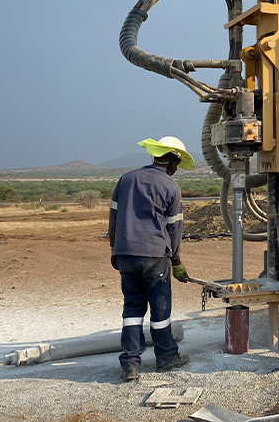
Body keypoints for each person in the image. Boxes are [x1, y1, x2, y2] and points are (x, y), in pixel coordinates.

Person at [109, 136, 193, 382]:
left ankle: (130, 365)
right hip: (155, 256)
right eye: (176, 164)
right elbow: (174, 229)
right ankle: (166, 356)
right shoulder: (170, 187)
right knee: (160, 309)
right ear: (171, 160)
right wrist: (176, 261)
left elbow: (113, 219)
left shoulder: (126, 179)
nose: (176, 170)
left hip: (125, 254)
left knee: (133, 309)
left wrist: (116, 250)